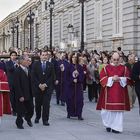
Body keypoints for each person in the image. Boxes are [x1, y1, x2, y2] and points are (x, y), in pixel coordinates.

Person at [96, 52, 130, 133]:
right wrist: (111, 79)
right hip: (108, 93)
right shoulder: (106, 68)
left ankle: (116, 128)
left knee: (118, 112)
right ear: (111, 59)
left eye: (118, 60)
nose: (116, 61)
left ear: (120, 59)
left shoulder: (124, 68)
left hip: (119, 94)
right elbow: (102, 79)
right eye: (114, 59)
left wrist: (120, 79)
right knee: (106, 112)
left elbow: (128, 78)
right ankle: (108, 124)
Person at [31, 50, 55, 126]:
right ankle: (37, 117)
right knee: (38, 104)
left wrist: (45, 85)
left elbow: (52, 77)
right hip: (38, 88)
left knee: (46, 104)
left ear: (47, 56)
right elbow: (33, 76)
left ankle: (45, 120)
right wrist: (39, 85)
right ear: (40, 56)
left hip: (47, 89)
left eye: (46, 55)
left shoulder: (50, 65)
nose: (44, 56)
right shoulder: (35, 64)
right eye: (43, 55)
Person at [14, 55, 34, 129]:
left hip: (29, 93)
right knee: (20, 110)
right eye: (26, 60)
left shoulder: (28, 69)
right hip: (21, 94)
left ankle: (28, 118)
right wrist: (20, 95)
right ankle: (19, 123)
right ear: (22, 61)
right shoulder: (17, 71)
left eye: (29, 60)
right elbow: (17, 85)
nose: (28, 62)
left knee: (31, 108)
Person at [66, 53, 84, 120]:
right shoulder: (68, 66)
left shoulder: (80, 67)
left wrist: (78, 78)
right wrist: (72, 80)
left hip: (78, 86)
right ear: (71, 58)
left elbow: (82, 76)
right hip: (71, 87)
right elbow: (66, 77)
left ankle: (79, 114)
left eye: (75, 57)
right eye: (73, 57)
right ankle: (70, 113)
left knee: (79, 100)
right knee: (70, 100)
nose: (74, 58)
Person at [5, 51, 18, 116]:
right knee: (12, 97)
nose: (13, 56)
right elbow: (9, 69)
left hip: (18, 82)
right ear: (10, 56)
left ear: (16, 56)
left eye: (14, 55)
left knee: (18, 96)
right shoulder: (8, 63)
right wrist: (15, 65)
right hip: (11, 82)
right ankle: (14, 110)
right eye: (12, 55)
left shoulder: (19, 62)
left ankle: (19, 109)